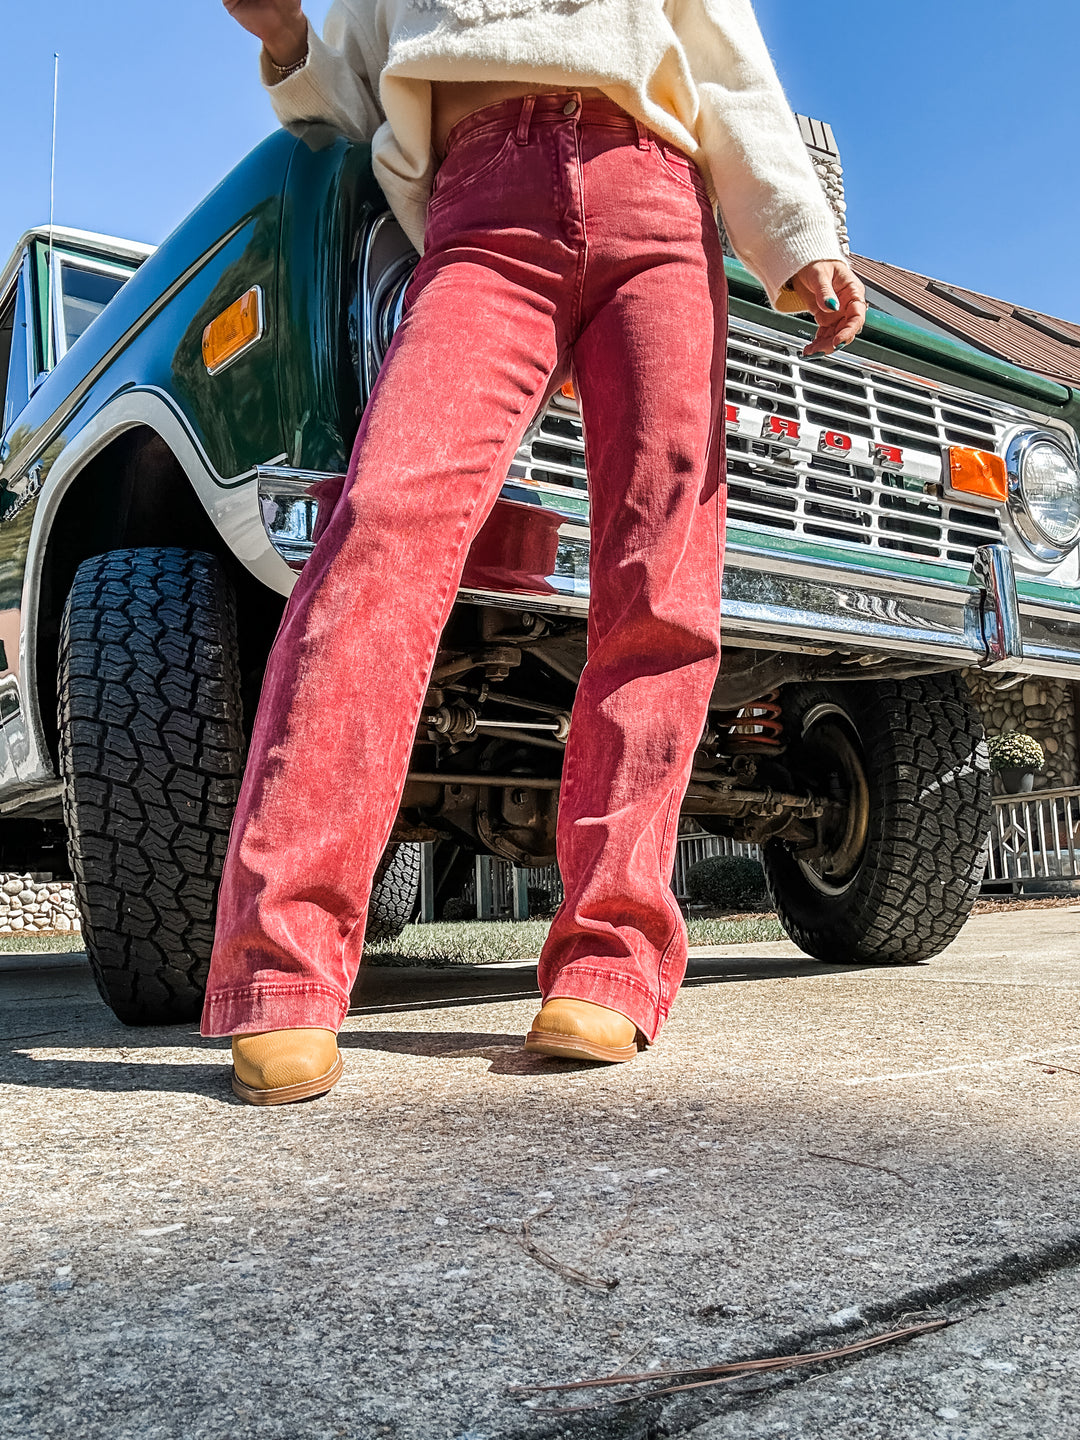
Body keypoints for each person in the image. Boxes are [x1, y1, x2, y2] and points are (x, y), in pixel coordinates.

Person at [208, 0, 867, 1104]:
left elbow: (724, 63)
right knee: (380, 527)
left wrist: (797, 236)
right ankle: (285, 972)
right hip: (479, 213)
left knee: (659, 575)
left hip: (654, 195)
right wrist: (285, 40)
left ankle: (611, 955)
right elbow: (351, 98)